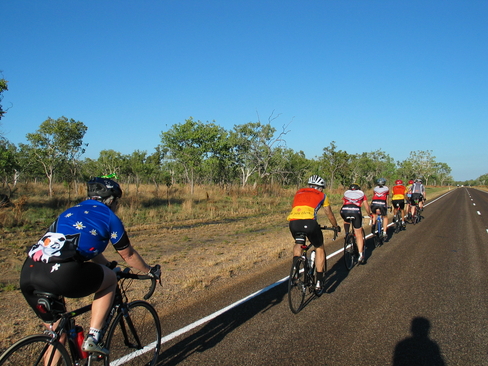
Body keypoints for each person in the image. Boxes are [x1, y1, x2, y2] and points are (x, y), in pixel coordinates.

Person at [20, 177, 161, 355]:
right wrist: (150, 271)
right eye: (118, 202)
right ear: (111, 200)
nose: (118, 205)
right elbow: (129, 255)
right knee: (110, 280)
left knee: (58, 337)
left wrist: (108, 264)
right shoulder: (110, 217)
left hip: (29, 272)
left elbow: (83, 248)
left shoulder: (71, 211)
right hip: (61, 273)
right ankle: (93, 337)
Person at [287, 175, 340, 293]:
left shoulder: (298, 193)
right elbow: (329, 213)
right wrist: (335, 226)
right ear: (320, 188)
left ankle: (296, 270)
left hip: (293, 222)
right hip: (310, 223)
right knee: (319, 247)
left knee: (299, 243)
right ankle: (319, 281)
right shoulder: (322, 196)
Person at [340, 183, 371, 264]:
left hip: (344, 210)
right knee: (358, 233)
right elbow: (366, 207)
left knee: (346, 220)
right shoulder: (362, 194)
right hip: (356, 212)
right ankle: (361, 255)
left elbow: (344, 204)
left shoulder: (346, 194)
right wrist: (369, 214)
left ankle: (347, 234)